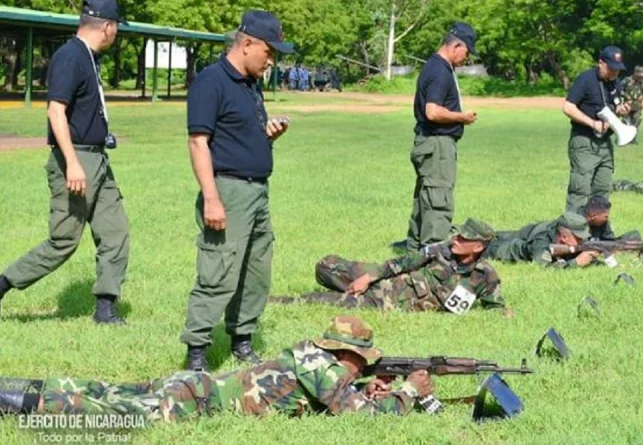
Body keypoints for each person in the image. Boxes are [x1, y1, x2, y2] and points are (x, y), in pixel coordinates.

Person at [0, 316, 434, 421]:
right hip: (196, 403)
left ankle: (24, 386)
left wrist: (367, 384)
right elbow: (361, 416)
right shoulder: (326, 371)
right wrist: (410, 391)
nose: (366, 362)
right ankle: (20, 399)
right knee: (104, 411)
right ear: (346, 354)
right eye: (362, 357)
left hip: (194, 386)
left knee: (108, 389)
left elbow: (341, 394)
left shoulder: (312, 357)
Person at [0, 0, 129, 324]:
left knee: (115, 232)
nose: (116, 34)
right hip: (76, 157)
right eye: (117, 29)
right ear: (108, 26)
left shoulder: (88, 57)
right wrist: (72, 163)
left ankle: (105, 309)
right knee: (63, 241)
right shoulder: (71, 56)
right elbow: (55, 110)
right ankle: (3, 284)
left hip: (97, 158)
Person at [181, 10, 293, 372]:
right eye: (269, 52)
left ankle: (242, 339)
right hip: (228, 191)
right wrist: (212, 198)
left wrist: (268, 135)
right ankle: (196, 350)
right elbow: (199, 143)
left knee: (255, 272)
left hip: (258, 192)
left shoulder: (250, 83)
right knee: (219, 271)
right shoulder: (211, 82)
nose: (271, 60)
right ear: (247, 44)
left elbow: (239, 134)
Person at [277, 219, 504, 314]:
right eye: (458, 235)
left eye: (463, 239)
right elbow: (401, 263)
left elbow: (496, 306)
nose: (455, 239)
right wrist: (369, 277)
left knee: (319, 301)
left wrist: (503, 312)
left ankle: (273, 301)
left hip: (385, 302)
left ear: (477, 247)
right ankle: (348, 283)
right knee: (326, 265)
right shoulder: (441, 250)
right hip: (387, 282)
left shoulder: (484, 275)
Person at [405, 22, 479, 251]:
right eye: (467, 52)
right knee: (438, 200)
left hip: (430, 142)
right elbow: (433, 111)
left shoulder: (437, 67)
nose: (466, 59)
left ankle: (415, 248)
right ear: (456, 45)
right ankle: (433, 254)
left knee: (425, 199)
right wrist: (461, 117)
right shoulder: (439, 71)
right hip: (437, 144)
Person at [562, 46, 631, 213]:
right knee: (580, 190)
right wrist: (592, 123)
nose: (615, 73)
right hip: (585, 142)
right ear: (601, 63)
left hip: (605, 144)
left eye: (618, 70)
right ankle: (574, 230)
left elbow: (611, 109)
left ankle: (597, 233)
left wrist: (621, 111)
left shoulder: (616, 83)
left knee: (602, 189)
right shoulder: (585, 79)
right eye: (612, 68)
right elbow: (568, 107)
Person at [487, 212, 600, 268]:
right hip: (496, 249)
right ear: (564, 237)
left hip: (524, 237)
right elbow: (544, 267)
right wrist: (575, 263)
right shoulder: (541, 241)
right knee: (487, 239)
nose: (583, 242)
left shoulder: (566, 243)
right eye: (579, 238)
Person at [621, 65, 643, 136]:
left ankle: (633, 138)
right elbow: (620, 90)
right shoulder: (627, 80)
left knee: (636, 122)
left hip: (637, 106)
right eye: (639, 75)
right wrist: (626, 96)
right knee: (626, 122)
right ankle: (624, 137)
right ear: (635, 73)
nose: (641, 77)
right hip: (627, 105)